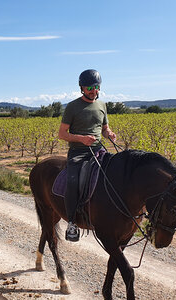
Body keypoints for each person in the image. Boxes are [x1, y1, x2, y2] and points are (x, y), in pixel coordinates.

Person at [58, 69, 116, 242]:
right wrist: (81, 139)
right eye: (90, 87)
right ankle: (72, 223)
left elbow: (104, 129)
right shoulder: (72, 107)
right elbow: (62, 134)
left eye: (97, 86)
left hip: (99, 150)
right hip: (78, 152)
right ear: (82, 88)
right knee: (73, 180)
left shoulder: (102, 105)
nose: (94, 90)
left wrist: (110, 134)